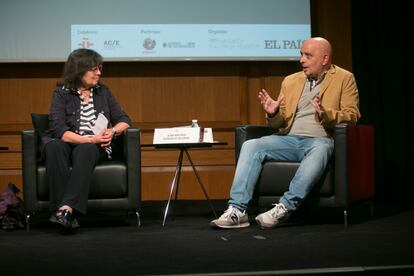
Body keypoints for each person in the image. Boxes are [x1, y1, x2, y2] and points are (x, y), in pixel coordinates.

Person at [210, 37, 360, 229]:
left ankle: (284, 207)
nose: (301, 60)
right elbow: (279, 123)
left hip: (320, 139)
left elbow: (352, 115)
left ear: (324, 59)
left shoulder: (344, 78)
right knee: (251, 145)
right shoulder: (291, 81)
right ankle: (237, 211)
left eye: (308, 55)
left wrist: (326, 114)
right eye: (301, 55)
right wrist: (273, 113)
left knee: (321, 149)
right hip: (289, 139)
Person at [42, 48, 131, 231]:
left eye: (99, 68)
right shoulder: (61, 93)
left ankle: (64, 210)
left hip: (93, 147)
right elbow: (59, 130)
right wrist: (89, 139)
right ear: (78, 70)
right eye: (94, 69)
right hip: (70, 142)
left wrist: (112, 132)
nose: (99, 72)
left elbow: (124, 121)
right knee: (54, 147)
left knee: (87, 149)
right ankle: (64, 213)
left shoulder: (103, 92)